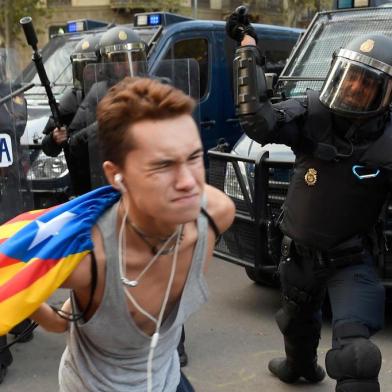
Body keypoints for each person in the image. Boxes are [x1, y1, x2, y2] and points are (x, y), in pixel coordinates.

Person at [29, 76, 235, 392]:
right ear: (116, 175)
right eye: (162, 166)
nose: (187, 182)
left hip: (167, 381)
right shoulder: (86, 258)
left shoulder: (216, 214)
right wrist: (21, 295)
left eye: (193, 157)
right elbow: (57, 320)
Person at [226, 10, 392, 392]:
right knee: (296, 328)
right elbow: (259, 122)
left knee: (358, 358)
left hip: (350, 259)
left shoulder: (386, 143)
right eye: (349, 78)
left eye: (365, 85)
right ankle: (299, 366)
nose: (352, 90)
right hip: (297, 254)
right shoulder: (313, 113)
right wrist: (247, 50)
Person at [67, 25, 148, 191]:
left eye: (133, 57)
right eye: (119, 60)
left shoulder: (154, 88)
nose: (127, 65)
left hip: (145, 177)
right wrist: (104, 124)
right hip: (108, 182)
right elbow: (74, 142)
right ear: (106, 64)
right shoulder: (97, 92)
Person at [0, 51, 34, 384]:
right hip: (9, 192)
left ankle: (21, 321)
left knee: (15, 255)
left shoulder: (11, 94)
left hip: (9, 188)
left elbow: (17, 124)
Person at [41, 33, 101, 196]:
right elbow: (47, 147)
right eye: (82, 66)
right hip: (83, 187)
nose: (86, 72)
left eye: (90, 66)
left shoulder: (115, 93)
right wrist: (55, 138)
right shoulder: (71, 100)